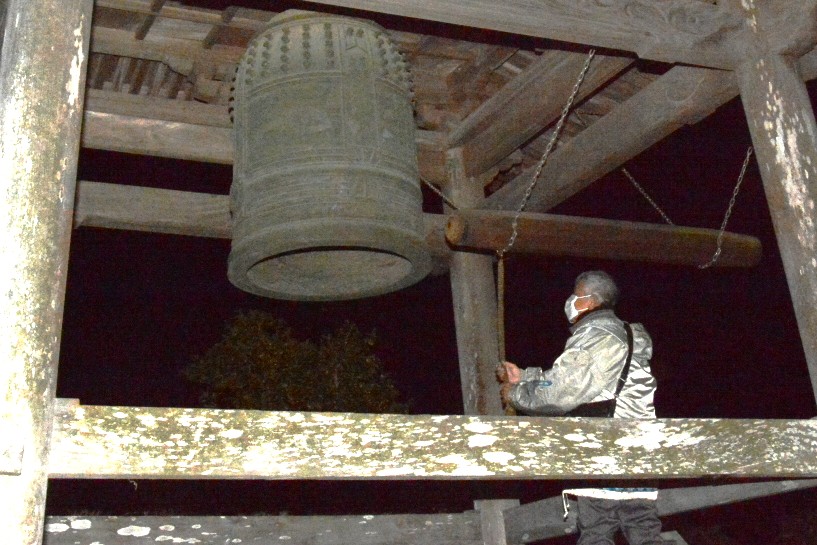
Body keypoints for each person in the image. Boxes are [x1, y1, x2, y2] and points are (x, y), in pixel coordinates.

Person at [498, 270, 663, 545]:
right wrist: (525, 376)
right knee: (644, 530)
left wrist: (515, 394)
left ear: (590, 300)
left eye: (576, 295)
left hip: (606, 453)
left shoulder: (598, 335)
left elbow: (562, 391)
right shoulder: (625, 335)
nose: (570, 301)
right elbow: (576, 379)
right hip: (640, 455)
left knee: (597, 533)